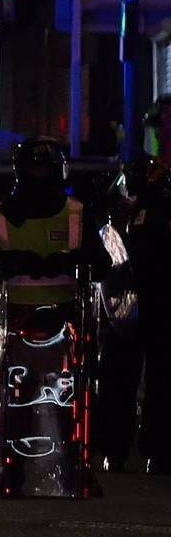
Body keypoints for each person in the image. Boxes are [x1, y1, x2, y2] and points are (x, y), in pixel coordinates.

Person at [0, 136, 105, 496]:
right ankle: (10, 471)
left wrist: (73, 262)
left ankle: (75, 471)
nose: (39, 176)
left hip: (67, 325)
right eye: (34, 169)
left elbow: (103, 263)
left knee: (72, 409)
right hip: (17, 325)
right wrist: (12, 264)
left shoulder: (76, 213)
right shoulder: (0, 214)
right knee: (15, 405)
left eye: (45, 169)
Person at [104, 97, 171, 474]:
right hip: (132, 288)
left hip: (167, 289)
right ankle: (114, 444)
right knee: (119, 370)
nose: (161, 130)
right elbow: (110, 222)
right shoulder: (137, 173)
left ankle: (159, 447)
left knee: (164, 374)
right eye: (159, 123)